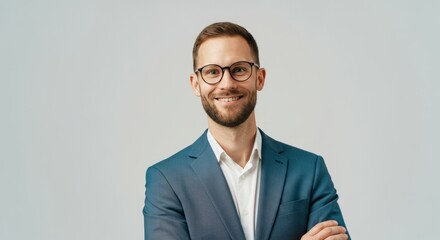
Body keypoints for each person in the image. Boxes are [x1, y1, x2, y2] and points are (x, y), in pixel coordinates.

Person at [143, 22, 350, 240]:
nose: (226, 83)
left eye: (239, 69)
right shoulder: (167, 180)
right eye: (212, 72)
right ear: (196, 84)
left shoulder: (309, 170)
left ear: (259, 78)